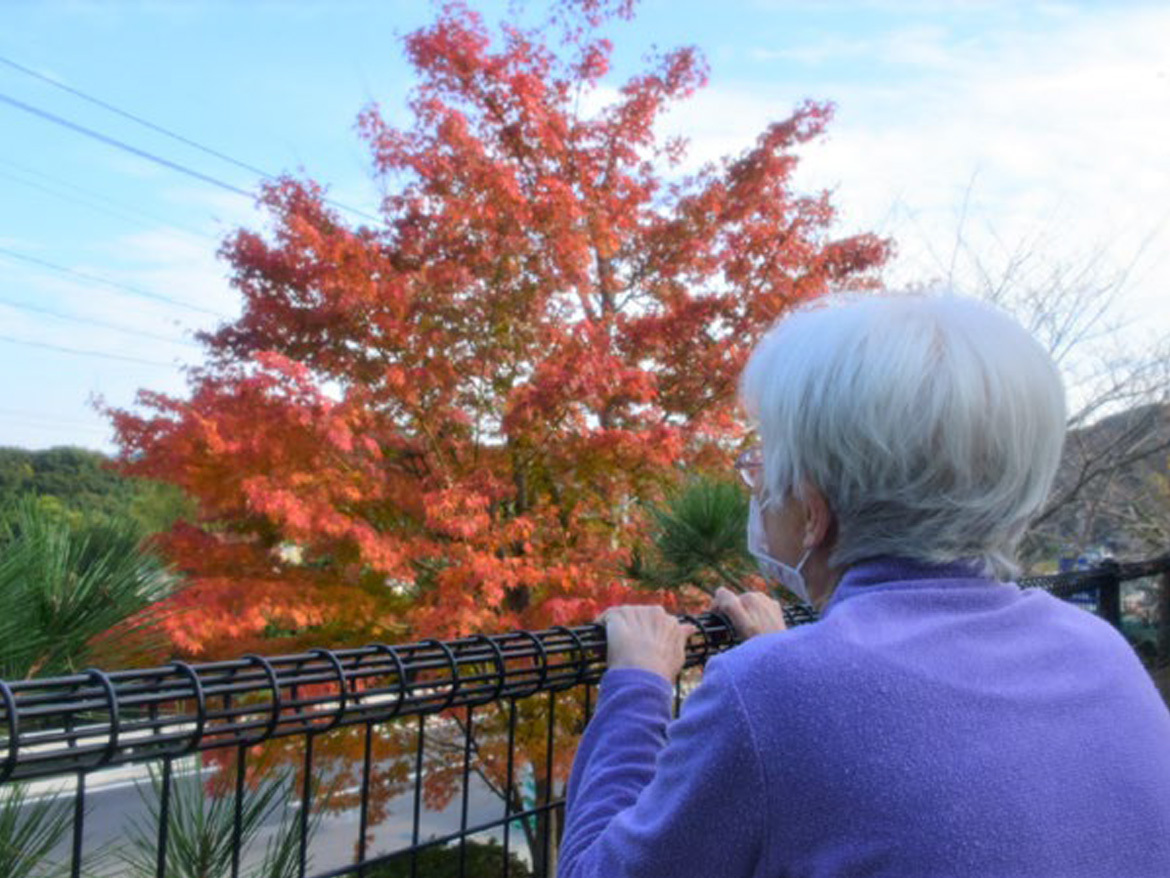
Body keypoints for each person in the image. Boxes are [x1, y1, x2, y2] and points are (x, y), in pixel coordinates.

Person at [559, 293, 1170, 878]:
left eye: (763, 462)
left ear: (812, 510)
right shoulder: (1098, 649)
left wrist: (636, 685)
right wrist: (789, 656)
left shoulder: (775, 693)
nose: (757, 485)